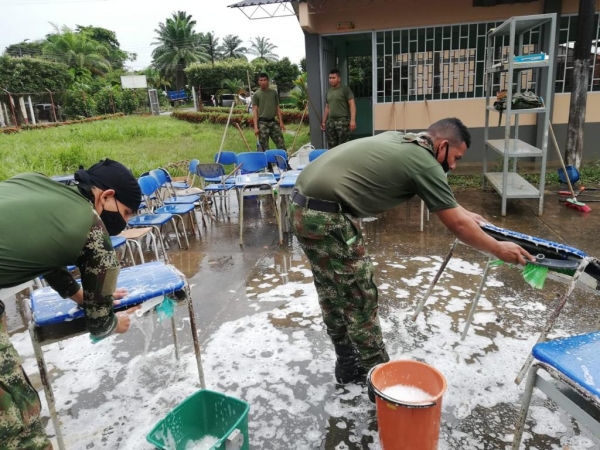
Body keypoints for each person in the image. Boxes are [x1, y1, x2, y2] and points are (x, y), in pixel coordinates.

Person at [289, 118, 534, 386]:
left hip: (302, 208)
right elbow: (457, 225)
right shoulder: (424, 161)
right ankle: (381, 382)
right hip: (328, 219)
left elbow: (451, 208)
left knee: (331, 290)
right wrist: (498, 248)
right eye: (456, 158)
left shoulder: (404, 140)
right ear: (442, 146)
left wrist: (464, 212)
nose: (453, 166)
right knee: (359, 295)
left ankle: (347, 364)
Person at [0, 159, 142, 449]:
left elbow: (44, 256)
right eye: (126, 213)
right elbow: (100, 325)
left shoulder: (36, 181)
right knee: (18, 423)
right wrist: (117, 322)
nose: (125, 223)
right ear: (106, 196)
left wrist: (79, 294)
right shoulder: (93, 230)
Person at [321, 69, 356, 149]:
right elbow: (327, 107)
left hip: (342, 122)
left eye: (334, 78)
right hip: (330, 123)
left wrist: (353, 120)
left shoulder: (345, 89)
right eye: (330, 78)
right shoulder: (328, 92)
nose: (331, 80)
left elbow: (352, 104)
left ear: (339, 79)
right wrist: (323, 121)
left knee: (343, 147)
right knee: (332, 146)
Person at [252, 73, 286, 152]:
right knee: (264, 147)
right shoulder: (256, 94)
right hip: (262, 123)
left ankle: (285, 162)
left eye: (265, 80)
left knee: (281, 143)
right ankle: (268, 164)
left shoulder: (273, 93)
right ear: (258, 82)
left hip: (273, 122)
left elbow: (277, 107)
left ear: (268, 81)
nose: (263, 82)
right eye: (261, 80)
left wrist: (281, 122)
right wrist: (256, 127)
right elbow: (254, 110)